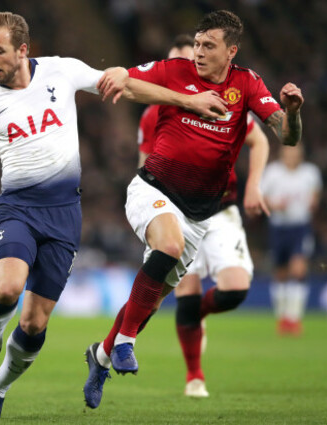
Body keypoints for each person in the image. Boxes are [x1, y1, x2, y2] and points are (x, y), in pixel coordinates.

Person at [0, 11, 225, 420]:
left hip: (63, 215)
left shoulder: (62, 71)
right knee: (7, 288)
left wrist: (188, 101)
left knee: (34, 323)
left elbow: (126, 87)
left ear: (23, 49)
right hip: (18, 208)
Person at [84, 9, 303, 409]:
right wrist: (183, 98)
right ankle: (127, 344)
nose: (198, 52)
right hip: (154, 189)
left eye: (208, 46)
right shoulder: (174, 71)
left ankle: (100, 355)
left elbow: (285, 137)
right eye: (197, 44)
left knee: (151, 300)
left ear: (231, 51)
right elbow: (126, 79)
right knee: (167, 246)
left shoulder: (247, 84)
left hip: (203, 212)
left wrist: (293, 112)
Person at [136, 34, 270, 398]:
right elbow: (145, 163)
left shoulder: (226, 96)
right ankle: (194, 376)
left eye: (191, 58)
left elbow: (260, 139)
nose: (186, 67)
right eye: (176, 62)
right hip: (178, 209)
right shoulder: (154, 113)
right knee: (187, 295)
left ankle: (200, 316)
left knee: (235, 290)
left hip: (222, 207)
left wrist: (255, 184)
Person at [261, 144, 322, 336]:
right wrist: (274, 205)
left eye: (295, 155)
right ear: (282, 155)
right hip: (278, 227)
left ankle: (294, 318)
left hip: (300, 227)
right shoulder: (272, 173)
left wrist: (313, 202)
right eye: (288, 154)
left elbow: (315, 196)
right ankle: (282, 317)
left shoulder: (310, 173)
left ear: (301, 156)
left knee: (298, 269)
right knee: (280, 273)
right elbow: (262, 197)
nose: (292, 158)